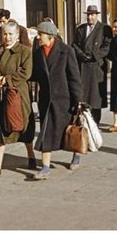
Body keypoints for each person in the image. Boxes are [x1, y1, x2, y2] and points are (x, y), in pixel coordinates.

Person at [31, 21, 83, 179]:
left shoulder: (66, 51)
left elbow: (74, 77)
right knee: (46, 131)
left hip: (64, 99)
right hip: (46, 100)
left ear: (50, 36)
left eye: (40, 34)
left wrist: (78, 100)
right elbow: (34, 74)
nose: (38, 37)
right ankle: (45, 167)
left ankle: (76, 155)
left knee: (70, 129)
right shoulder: (38, 52)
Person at [0, 20, 34, 178]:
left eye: (11, 34)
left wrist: (7, 79)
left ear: (17, 35)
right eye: (4, 34)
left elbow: (27, 72)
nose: (7, 37)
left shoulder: (25, 51)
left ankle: (31, 155)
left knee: (23, 128)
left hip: (17, 95)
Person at [71, 5, 112, 125]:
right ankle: (83, 120)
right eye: (88, 14)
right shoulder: (80, 29)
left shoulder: (105, 28)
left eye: (92, 14)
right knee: (82, 94)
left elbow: (106, 46)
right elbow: (74, 44)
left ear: (96, 15)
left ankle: (95, 122)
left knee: (95, 97)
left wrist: (94, 55)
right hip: (83, 65)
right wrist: (81, 55)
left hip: (96, 66)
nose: (89, 17)